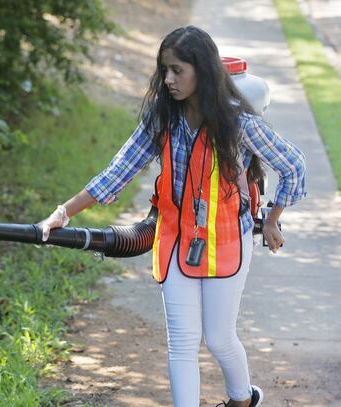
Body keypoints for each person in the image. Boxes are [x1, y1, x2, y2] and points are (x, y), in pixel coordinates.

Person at [38, 26, 306, 407]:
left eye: (177, 70)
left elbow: (293, 164)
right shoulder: (163, 117)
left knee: (218, 338)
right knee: (181, 341)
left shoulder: (237, 123)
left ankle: (243, 399)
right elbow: (118, 171)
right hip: (176, 239)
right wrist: (62, 213)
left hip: (228, 239)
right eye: (165, 70)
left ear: (203, 71)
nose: (168, 80)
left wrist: (274, 218)